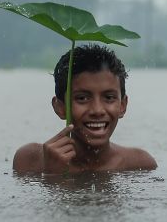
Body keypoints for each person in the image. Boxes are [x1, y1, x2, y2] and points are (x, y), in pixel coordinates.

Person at [13, 44, 157, 174]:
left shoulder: (139, 165)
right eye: (82, 98)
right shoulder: (29, 161)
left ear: (123, 106)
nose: (97, 110)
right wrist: (53, 174)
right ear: (60, 107)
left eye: (109, 97)